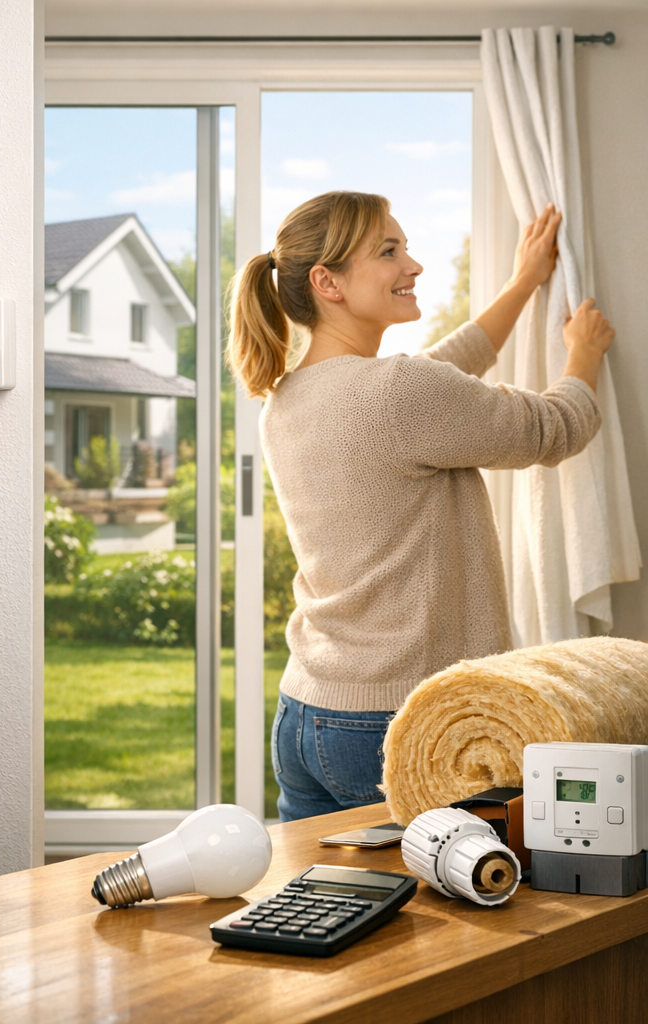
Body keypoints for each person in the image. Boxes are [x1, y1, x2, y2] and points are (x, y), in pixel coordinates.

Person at [227, 191, 614, 822]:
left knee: (333, 909)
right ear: (327, 282)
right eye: (389, 251)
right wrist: (584, 356)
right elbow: (554, 428)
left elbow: (444, 369)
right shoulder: (399, 394)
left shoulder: (287, 399)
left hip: (306, 711)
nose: (414, 265)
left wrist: (522, 284)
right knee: (450, 914)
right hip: (399, 720)